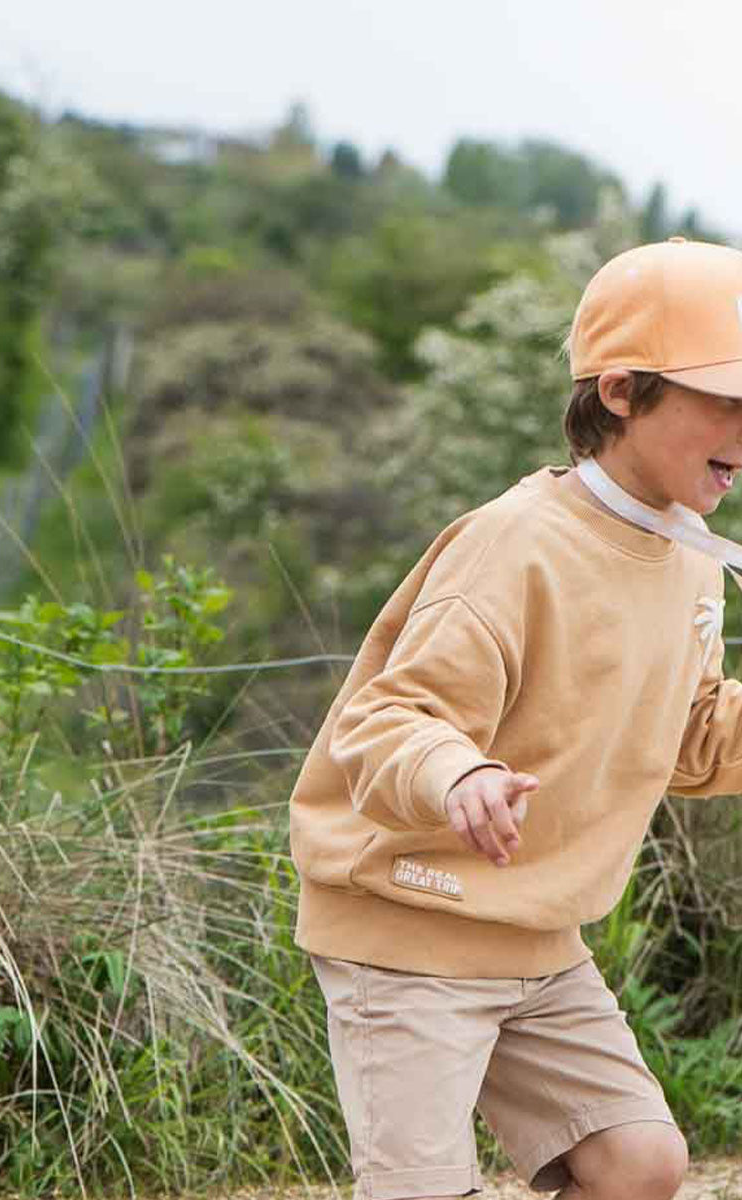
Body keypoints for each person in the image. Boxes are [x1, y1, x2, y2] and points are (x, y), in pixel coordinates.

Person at [290, 236, 742, 1200]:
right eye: (728, 401)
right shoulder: (514, 546)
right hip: (407, 927)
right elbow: (386, 721)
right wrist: (457, 775)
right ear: (620, 391)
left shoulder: (694, 558)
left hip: (542, 939)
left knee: (640, 1164)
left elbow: (693, 739)